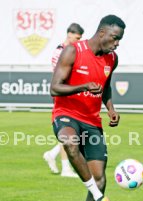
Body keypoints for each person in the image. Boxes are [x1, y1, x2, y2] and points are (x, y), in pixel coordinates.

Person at [50, 15, 126, 201]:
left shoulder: (112, 58)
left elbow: (106, 85)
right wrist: (82, 86)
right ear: (102, 32)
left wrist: (111, 109)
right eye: (115, 38)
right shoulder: (73, 51)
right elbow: (54, 87)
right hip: (67, 114)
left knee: (100, 178)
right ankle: (98, 197)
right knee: (70, 144)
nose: (117, 44)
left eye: (120, 40)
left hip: (92, 121)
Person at [43, 23, 84, 176]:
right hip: (61, 94)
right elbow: (62, 76)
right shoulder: (59, 52)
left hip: (69, 94)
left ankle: (52, 155)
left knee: (72, 131)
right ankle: (66, 168)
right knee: (67, 129)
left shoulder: (73, 51)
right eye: (78, 38)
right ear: (69, 35)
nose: (79, 41)